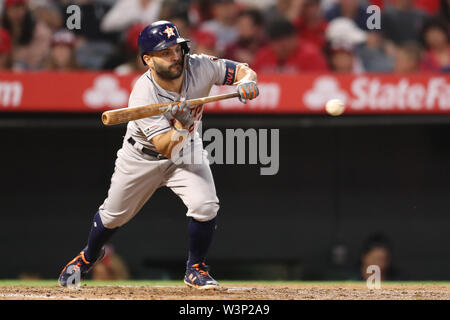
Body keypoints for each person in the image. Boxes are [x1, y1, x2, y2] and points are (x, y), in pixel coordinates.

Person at [58, 20, 259, 290]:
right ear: (148, 60)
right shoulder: (143, 95)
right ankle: (87, 257)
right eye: (166, 52)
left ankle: (195, 269)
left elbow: (242, 71)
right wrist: (179, 124)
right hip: (142, 156)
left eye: (177, 48)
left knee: (206, 205)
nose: (176, 56)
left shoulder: (200, 65)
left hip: (186, 148)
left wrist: (248, 82)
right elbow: (166, 146)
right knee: (113, 216)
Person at [251, 16, 328, 73]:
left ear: (295, 38)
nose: (281, 48)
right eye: (277, 43)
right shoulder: (263, 56)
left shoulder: (311, 55)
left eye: (284, 44)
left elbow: (320, 80)